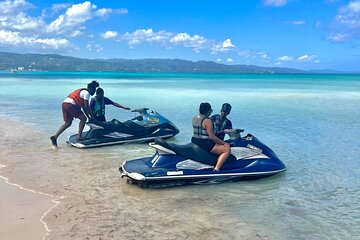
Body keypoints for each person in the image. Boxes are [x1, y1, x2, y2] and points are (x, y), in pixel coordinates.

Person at [50, 81, 99, 148]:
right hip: (71, 105)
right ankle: (79, 136)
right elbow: (86, 107)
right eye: (94, 90)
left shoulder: (82, 92)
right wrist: (91, 117)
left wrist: (89, 117)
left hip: (65, 104)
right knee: (83, 119)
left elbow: (84, 108)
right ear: (90, 88)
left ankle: (55, 137)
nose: (94, 92)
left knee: (68, 123)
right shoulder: (86, 93)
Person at [191, 102, 231, 171]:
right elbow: (211, 137)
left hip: (194, 140)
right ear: (208, 111)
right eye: (210, 110)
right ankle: (216, 169)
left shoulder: (194, 118)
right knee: (227, 149)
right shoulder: (208, 120)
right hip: (204, 143)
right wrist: (224, 143)